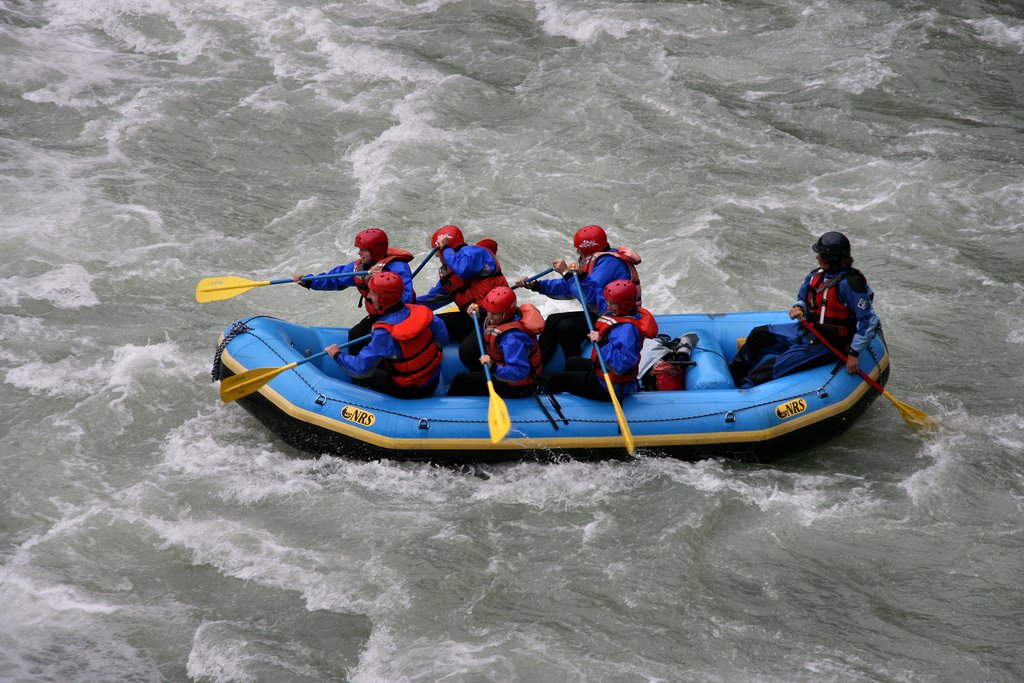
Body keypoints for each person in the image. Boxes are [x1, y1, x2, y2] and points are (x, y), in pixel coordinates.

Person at [728, 231, 880, 388]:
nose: (817, 257)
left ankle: (743, 391)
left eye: (821, 255)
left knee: (768, 369)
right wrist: (799, 308)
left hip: (827, 344)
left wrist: (854, 353)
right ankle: (734, 376)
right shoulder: (815, 276)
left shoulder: (850, 284)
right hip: (805, 331)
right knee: (759, 334)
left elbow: (869, 320)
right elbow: (803, 300)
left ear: (834, 259)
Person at [515, 224, 641, 365]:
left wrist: (565, 273)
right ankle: (536, 367)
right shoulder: (596, 260)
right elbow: (568, 287)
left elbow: (585, 294)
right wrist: (536, 285)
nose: (577, 251)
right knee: (553, 320)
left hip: (617, 316)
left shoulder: (609, 264)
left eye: (579, 249)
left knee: (566, 327)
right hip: (603, 311)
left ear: (588, 248)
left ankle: (574, 365)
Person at [324, 272, 448, 399]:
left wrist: (337, 355)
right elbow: (443, 337)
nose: (369, 296)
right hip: (433, 379)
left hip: (411, 390)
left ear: (384, 299)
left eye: (373, 293)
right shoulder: (422, 311)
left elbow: (361, 369)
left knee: (366, 373)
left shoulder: (384, 332)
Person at [293, 228, 416, 353]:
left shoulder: (398, 267)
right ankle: (358, 368)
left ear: (375, 251)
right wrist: (309, 281)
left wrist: (381, 281)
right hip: (379, 314)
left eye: (363, 250)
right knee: (355, 334)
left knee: (370, 338)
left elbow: (407, 298)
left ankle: (370, 367)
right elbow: (335, 279)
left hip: (400, 315)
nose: (359, 253)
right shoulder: (359, 267)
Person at [544, 280, 658, 402]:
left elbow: (620, 365)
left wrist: (601, 342)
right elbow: (594, 297)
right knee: (572, 363)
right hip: (602, 372)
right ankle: (572, 392)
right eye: (609, 302)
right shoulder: (620, 311)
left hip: (610, 386)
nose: (608, 306)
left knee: (552, 379)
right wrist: (581, 277)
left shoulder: (628, 330)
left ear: (625, 304)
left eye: (612, 304)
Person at [416, 224, 508, 366]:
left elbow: (463, 268)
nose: (436, 255)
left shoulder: (476, 253)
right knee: (427, 324)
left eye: (437, 249)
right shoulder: (449, 274)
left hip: (493, 317)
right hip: (471, 317)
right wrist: (404, 306)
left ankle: (492, 376)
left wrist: (446, 248)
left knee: (467, 353)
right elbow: (432, 300)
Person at [447, 286, 544, 399]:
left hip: (517, 387)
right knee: (468, 353)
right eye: (488, 311)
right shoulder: (507, 318)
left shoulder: (511, 339)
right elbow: (491, 329)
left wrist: (493, 368)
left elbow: (521, 371)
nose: (489, 316)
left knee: (461, 380)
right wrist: (477, 316)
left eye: (494, 314)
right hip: (503, 372)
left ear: (506, 313)